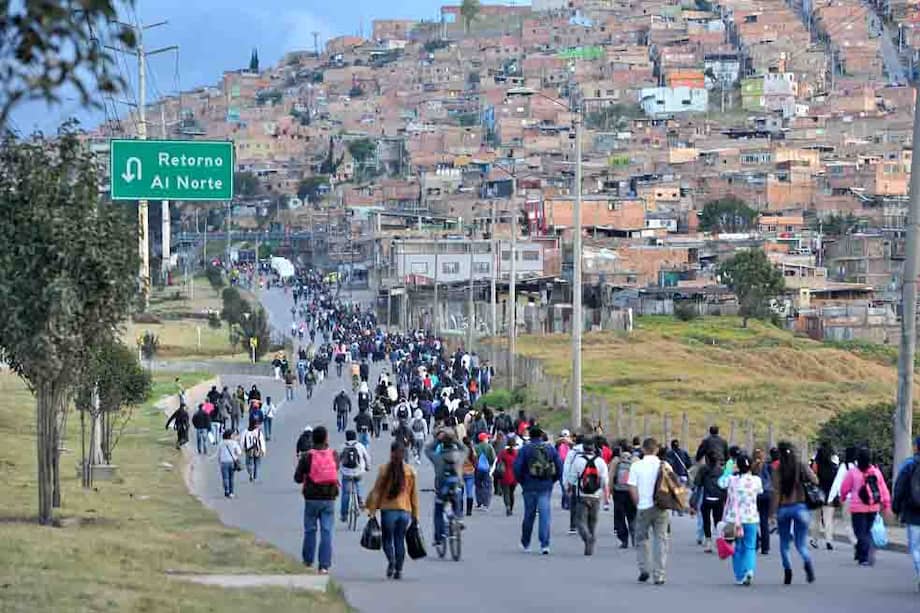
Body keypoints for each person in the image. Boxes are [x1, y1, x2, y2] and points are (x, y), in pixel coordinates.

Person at [365, 442, 420, 580]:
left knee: (387, 539)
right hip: (405, 511)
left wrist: (372, 511)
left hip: (388, 511)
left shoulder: (384, 470)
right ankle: (399, 570)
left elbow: (377, 492)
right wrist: (415, 515)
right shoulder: (410, 471)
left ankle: (392, 561)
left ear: (391, 453)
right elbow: (414, 495)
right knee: (399, 540)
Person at [770, 441, 818, 585]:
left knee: (784, 544)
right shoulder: (801, 466)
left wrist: (773, 513)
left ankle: (788, 571)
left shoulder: (778, 469)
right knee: (800, 544)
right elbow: (815, 480)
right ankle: (807, 562)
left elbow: (776, 493)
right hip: (800, 508)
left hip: (784, 508)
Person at [294, 426, 338, 574]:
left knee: (310, 530)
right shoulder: (333, 454)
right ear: (326, 438)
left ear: (313, 439)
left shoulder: (307, 456)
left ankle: (308, 561)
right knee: (327, 531)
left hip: (311, 497)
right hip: (329, 497)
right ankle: (324, 565)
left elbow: (298, 478)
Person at [513, 426, 564, 555]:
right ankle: (544, 544)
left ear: (530, 436)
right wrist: (552, 480)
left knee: (529, 515)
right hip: (545, 486)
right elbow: (559, 467)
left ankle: (526, 543)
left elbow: (517, 468)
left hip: (529, 486)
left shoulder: (525, 449)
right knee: (545, 515)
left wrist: (522, 482)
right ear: (541, 435)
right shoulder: (550, 449)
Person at [840, 446, 892, 566]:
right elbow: (883, 489)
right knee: (867, 531)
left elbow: (844, 488)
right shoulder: (876, 472)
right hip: (873, 506)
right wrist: (886, 504)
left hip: (857, 508)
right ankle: (862, 552)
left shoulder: (853, 473)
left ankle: (864, 557)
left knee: (860, 532)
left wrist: (842, 498)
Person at [627, 438, 669, 585]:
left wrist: (637, 502)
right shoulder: (664, 465)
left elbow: (631, 487)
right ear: (657, 449)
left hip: (644, 507)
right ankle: (659, 574)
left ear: (643, 450)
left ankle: (644, 568)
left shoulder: (636, 466)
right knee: (661, 539)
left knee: (641, 538)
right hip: (661, 507)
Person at [723, 454, 763, 586]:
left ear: (738, 466)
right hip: (751, 518)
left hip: (734, 519)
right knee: (750, 547)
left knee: (737, 548)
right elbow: (760, 492)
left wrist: (729, 470)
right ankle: (749, 570)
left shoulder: (731, 480)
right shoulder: (756, 480)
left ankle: (740, 576)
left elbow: (720, 483)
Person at [565, 437, 609, 556]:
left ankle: (586, 537)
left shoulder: (578, 461)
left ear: (583, 448)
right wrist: (606, 497)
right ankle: (590, 545)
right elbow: (605, 480)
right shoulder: (600, 462)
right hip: (596, 496)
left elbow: (572, 478)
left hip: (582, 495)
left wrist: (568, 489)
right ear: (594, 449)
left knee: (580, 521)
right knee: (593, 522)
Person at [425, 429, 467, 546]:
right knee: (457, 501)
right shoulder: (459, 456)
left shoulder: (438, 458)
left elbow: (428, 450)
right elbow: (465, 449)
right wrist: (455, 440)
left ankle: (439, 537)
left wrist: (438, 440)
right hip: (456, 486)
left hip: (442, 488)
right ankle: (458, 518)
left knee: (438, 510)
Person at [891, 436, 920, 592]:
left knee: (915, 548)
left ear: (916, 447)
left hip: (913, 512)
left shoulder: (909, 464)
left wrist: (895, 508)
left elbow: (900, 487)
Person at [695, 451, 726, 553]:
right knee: (718, 521)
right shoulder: (721, 471)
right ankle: (719, 541)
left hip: (706, 498)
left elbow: (697, 484)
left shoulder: (703, 470)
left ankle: (708, 543)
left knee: (706, 520)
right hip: (719, 499)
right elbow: (724, 486)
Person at [812, 441, 839, 550]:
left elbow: (812, 476)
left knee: (816, 518)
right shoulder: (834, 465)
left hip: (818, 493)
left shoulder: (816, 463)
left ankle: (814, 540)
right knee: (828, 519)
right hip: (830, 493)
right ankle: (829, 540)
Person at [339, 430, 371, 522]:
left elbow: (337, 459)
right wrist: (367, 467)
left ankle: (344, 514)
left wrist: (338, 469)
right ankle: (360, 499)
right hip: (358, 471)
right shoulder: (360, 446)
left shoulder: (343, 446)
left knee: (345, 493)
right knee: (359, 483)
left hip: (346, 473)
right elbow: (367, 457)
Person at [611, 446, 637, 548]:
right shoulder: (635, 461)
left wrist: (611, 490)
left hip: (619, 492)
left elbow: (611, 476)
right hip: (631, 491)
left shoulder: (616, 461)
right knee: (633, 516)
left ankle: (624, 540)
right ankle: (635, 538)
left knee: (620, 518)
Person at [752, 448, 773, 555]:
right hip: (767, 494)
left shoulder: (751, 467)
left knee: (752, 521)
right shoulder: (768, 466)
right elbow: (772, 479)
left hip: (755, 495)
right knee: (764, 521)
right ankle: (766, 547)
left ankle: (755, 542)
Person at [497, 436, 519, 516]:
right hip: (514, 476)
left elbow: (498, 462)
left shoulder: (503, 453)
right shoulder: (516, 453)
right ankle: (511, 508)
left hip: (504, 475)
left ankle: (508, 506)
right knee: (511, 493)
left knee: (506, 493)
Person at [217, 430, 242, 498]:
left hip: (223, 462)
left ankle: (226, 491)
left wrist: (219, 461)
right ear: (230, 436)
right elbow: (239, 452)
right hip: (232, 462)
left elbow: (218, 453)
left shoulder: (221, 443)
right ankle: (231, 492)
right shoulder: (234, 443)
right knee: (231, 478)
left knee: (225, 478)